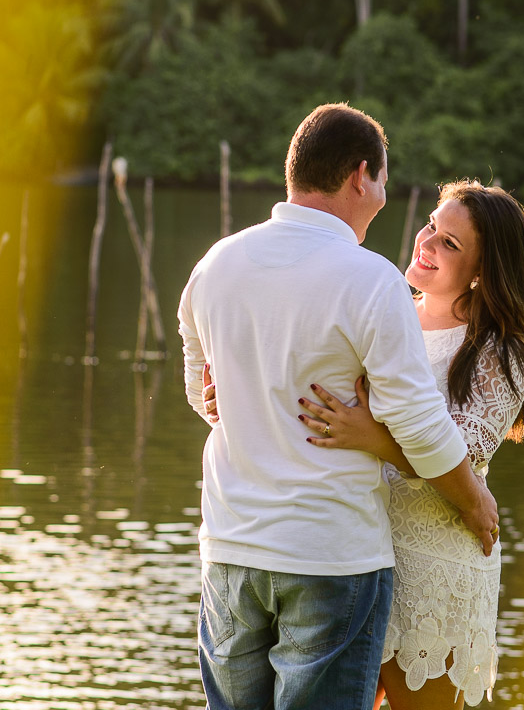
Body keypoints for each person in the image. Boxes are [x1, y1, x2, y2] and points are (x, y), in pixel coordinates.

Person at [178, 103, 499, 710]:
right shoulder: (370, 279)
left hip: (230, 550)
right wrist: (474, 499)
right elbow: (420, 422)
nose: (383, 194)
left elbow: (204, 393)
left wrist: (252, 403)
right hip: (329, 557)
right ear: (360, 175)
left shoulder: (215, 264)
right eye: (382, 178)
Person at [296, 180, 524, 709]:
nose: (426, 242)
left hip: (435, 566)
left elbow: (454, 454)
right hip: (358, 558)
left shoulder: (499, 353)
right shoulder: (386, 315)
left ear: (482, 271)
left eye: (450, 243)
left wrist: (370, 436)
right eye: (432, 225)